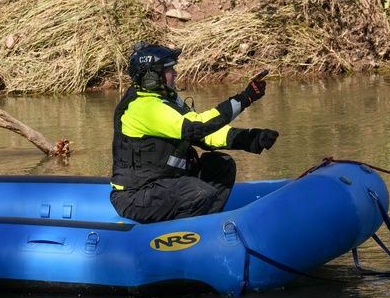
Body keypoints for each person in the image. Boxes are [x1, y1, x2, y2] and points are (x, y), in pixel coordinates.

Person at [110, 42, 279, 224]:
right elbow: (197, 126)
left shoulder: (167, 100)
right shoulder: (144, 107)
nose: (174, 73)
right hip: (137, 196)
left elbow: (202, 135)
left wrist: (250, 138)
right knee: (197, 192)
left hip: (165, 184)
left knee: (221, 164)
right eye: (169, 69)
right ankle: (182, 238)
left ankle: (208, 226)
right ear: (152, 75)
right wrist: (245, 98)